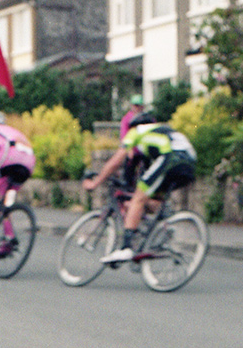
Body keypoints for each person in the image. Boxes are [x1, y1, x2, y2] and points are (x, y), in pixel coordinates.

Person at [83, 106, 197, 262]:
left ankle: (126, 248)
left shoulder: (136, 131)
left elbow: (116, 161)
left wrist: (96, 182)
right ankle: (165, 228)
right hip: (189, 162)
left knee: (138, 197)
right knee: (150, 199)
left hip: (172, 158)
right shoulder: (161, 131)